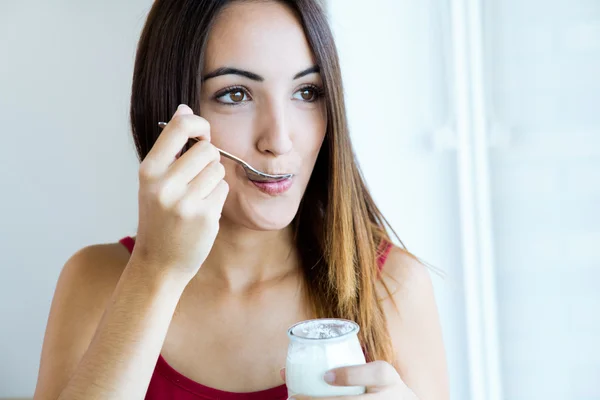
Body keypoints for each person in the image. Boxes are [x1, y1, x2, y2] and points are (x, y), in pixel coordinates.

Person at [33, 1, 449, 399]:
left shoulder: (393, 288)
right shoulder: (95, 282)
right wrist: (155, 271)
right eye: (236, 95)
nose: (280, 140)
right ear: (171, 110)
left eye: (306, 92)